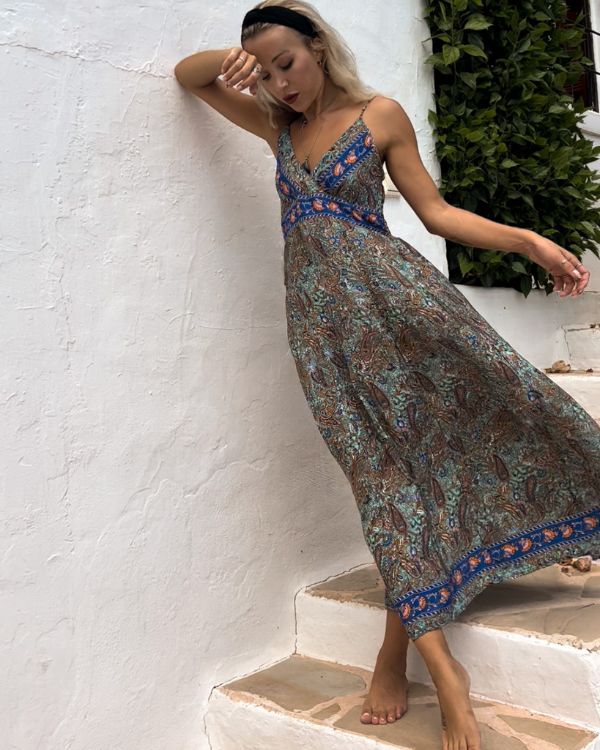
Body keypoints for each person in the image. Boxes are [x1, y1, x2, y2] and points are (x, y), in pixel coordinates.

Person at [174, 2, 600, 748]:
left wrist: (529, 241)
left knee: (513, 404)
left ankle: (425, 664)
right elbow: (190, 78)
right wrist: (231, 61)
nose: (279, 81)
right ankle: (414, 653)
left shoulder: (379, 115)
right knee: (378, 481)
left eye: (286, 62)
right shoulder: (277, 129)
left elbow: (436, 214)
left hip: (404, 310)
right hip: (324, 335)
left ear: (318, 48)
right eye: (265, 71)